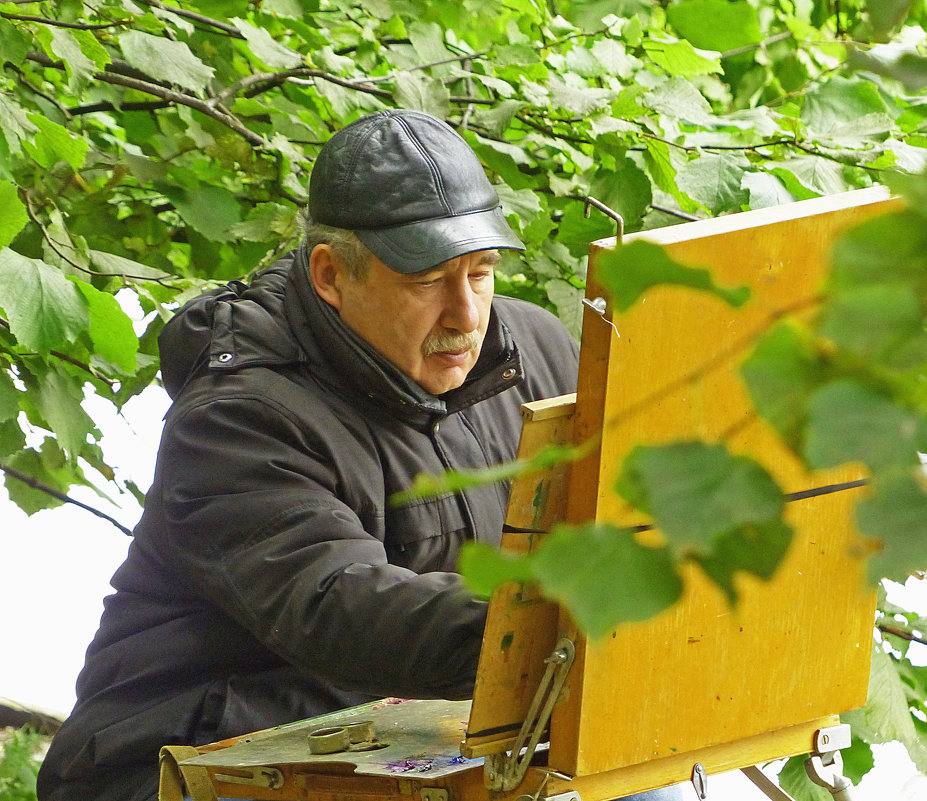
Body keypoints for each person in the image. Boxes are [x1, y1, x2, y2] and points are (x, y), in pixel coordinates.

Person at [37, 109, 580, 801]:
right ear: (329, 274)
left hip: (413, 747)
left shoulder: (532, 349)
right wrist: (576, 619)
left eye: (480, 272)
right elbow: (342, 608)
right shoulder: (237, 417)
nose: (466, 315)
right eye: (427, 280)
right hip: (183, 756)